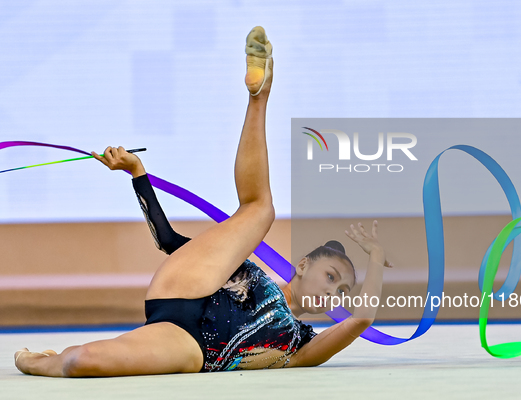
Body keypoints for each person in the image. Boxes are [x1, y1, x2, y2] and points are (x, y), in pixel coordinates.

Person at [14, 26, 392, 377]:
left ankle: (42, 362)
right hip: (189, 286)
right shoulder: (243, 271)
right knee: (260, 209)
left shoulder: (301, 347)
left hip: (187, 344)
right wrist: (138, 173)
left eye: (342, 291)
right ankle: (259, 96)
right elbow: (168, 241)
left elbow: (361, 319)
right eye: (330, 277)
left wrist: (375, 257)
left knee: (81, 362)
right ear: (303, 264)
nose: (333, 293)